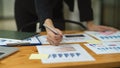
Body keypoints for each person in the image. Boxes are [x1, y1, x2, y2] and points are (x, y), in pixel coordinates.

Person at [15, 0, 118, 45]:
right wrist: (48, 24)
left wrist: (90, 23)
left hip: (55, 7)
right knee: (26, 42)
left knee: (57, 40)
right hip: (26, 5)